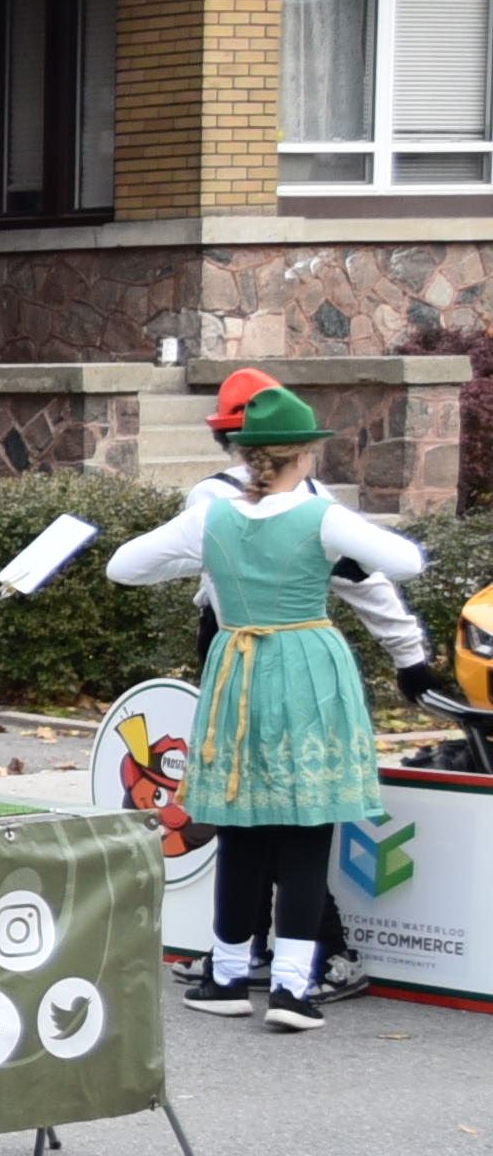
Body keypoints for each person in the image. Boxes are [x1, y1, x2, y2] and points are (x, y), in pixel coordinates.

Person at [110, 385, 422, 1034]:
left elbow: (124, 568)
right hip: (305, 664)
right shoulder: (319, 516)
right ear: (304, 454)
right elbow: (405, 561)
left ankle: (226, 975)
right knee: (306, 831)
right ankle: (291, 989)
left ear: (247, 453)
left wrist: (213, 562)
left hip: (237, 671)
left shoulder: (212, 515)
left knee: (241, 822)